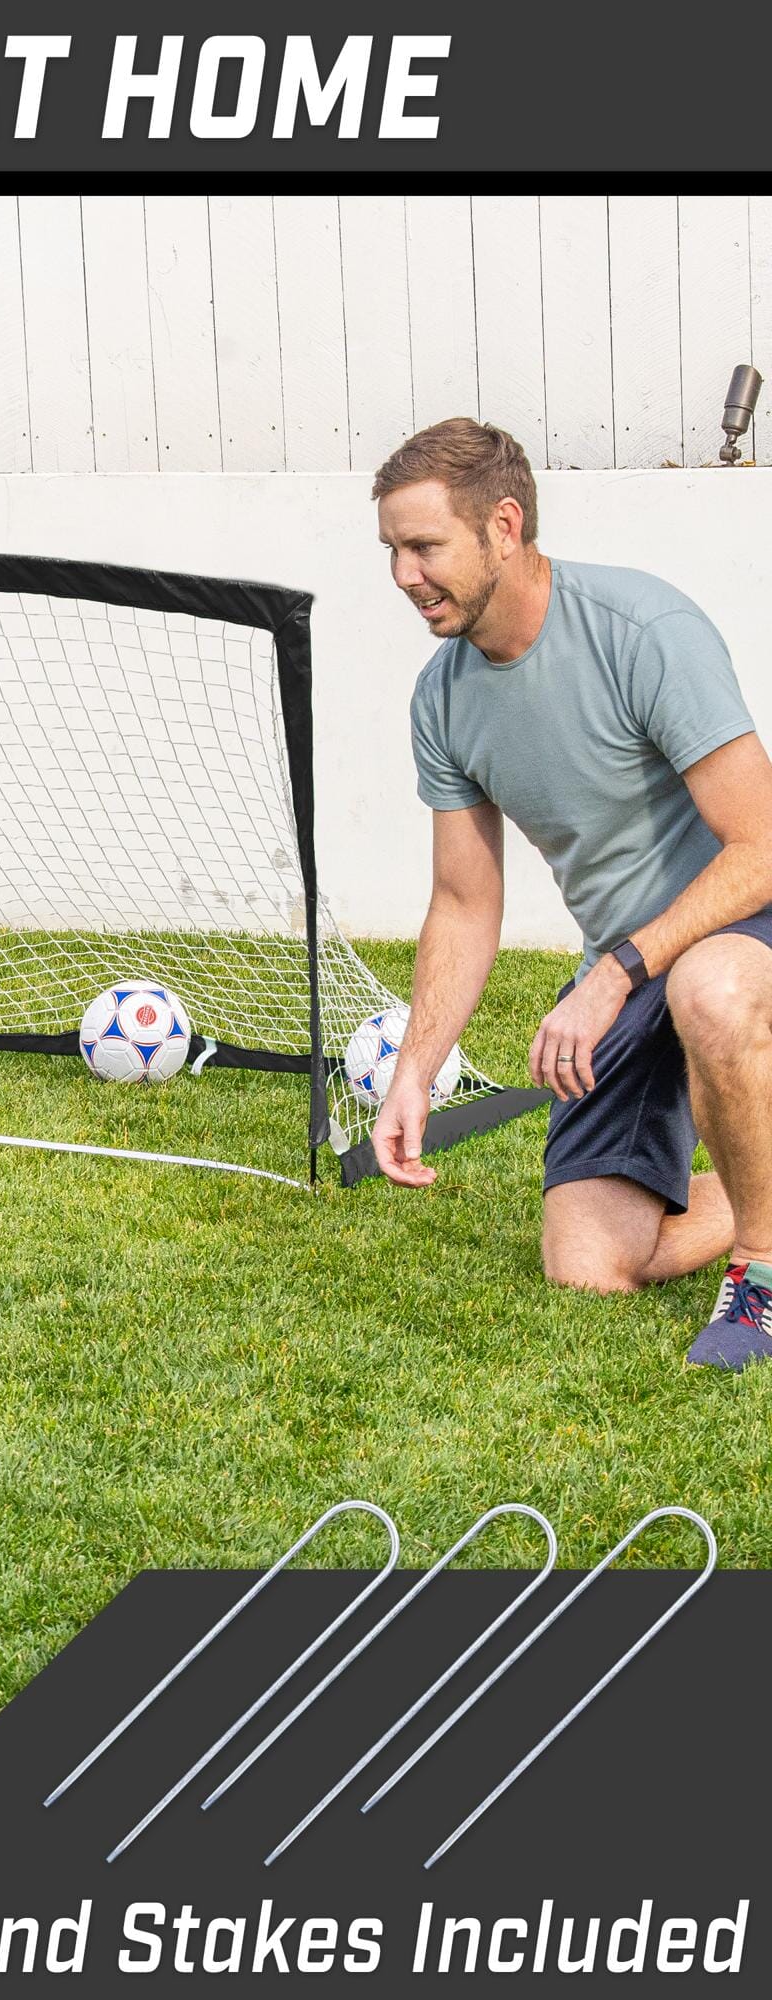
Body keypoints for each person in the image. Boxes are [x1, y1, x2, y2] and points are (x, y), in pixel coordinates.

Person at [370, 419, 772, 1370]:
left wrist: (618, 971)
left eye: (424, 547)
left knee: (707, 991)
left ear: (503, 527)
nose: (403, 577)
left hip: (739, 923)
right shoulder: (442, 700)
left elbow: (760, 845)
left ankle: (759, 1279)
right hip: (629, 972)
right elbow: (465, 904)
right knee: (591, 1265)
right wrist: (417, 1070)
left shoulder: (642, 630)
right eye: (391, 551)